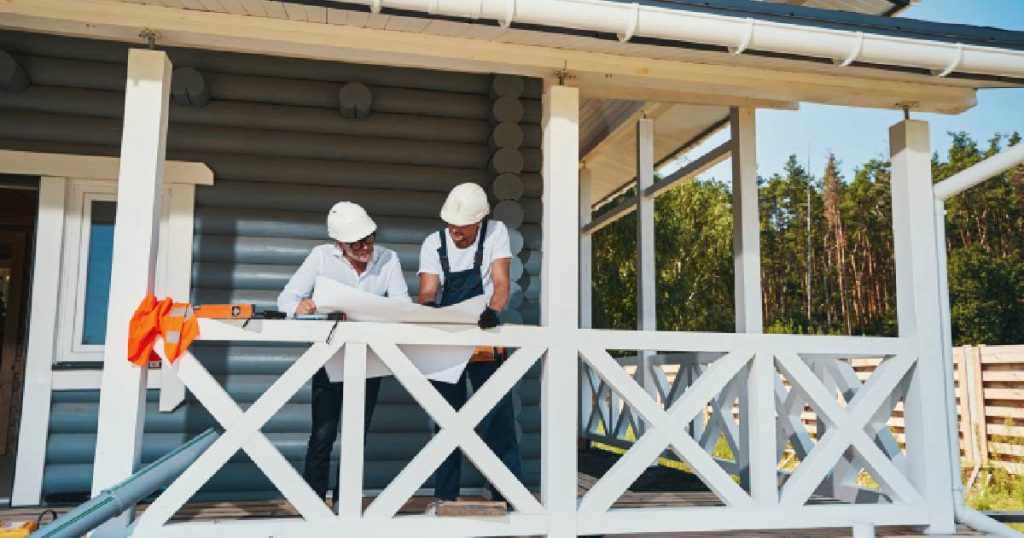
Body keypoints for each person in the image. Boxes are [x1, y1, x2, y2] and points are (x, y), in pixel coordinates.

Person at [277, 201, 411, 503]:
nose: (366, 247)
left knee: (356, 434)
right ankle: (313, 503)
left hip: (369, 358)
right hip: (329, 357)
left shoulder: (389, 259)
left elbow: (402, 307)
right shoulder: (321, 257)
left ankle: (345, 502)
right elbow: (286, 298)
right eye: (356, 243)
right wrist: (299, 307)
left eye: (369, 238)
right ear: (339, 243)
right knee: (323, 433)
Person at [417, 182, 522, 505]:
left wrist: (494, 310)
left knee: (498, 417)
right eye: (449, 223)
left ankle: (510, 496)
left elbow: (501, 282)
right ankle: (445, 498)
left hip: (484, 337)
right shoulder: (433, 243)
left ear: (479, 221)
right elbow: (428, 290)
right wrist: (429, 309)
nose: (453, 230)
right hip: (448, 337)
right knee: (447, 421)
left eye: (460, 226)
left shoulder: (495, 233)